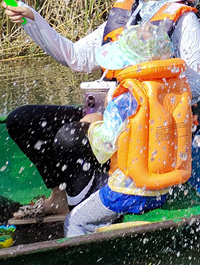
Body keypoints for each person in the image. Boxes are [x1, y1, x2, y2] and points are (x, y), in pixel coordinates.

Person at [2, 0, 200, 223]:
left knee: (69, 137)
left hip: (147, 123)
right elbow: (75, 57)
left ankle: (86, 210)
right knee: (23, 120)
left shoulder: (185, 21)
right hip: (104, 115)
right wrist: (32, 20)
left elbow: (198, 87)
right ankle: (60, 198)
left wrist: (143, 80)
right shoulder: (124, 13)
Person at [65, 23, 192, 236]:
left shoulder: (124, 99)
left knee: (75, 221)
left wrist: (92, 126)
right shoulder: (175, 92)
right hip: (162, 189)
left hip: (127, 191)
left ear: (127, 63)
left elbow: (105, 145)